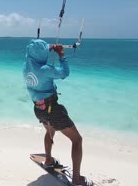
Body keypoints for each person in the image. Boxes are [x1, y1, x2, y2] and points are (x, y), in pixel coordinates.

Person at [23, 39, 90, 186]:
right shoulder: (46, 70)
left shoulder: (26, 66)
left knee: (49, 131)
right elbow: (65, 73)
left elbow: (33, 54)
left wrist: (47, 48)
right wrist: (61, 55)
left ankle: (48, 160)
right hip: (52, 110)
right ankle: (77, 180)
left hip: (38, 109)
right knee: (77, 140)